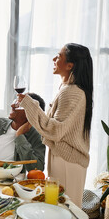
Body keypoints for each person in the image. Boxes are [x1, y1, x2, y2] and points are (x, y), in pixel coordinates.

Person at [18, 43, 93, 207]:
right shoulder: (68, 89)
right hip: (64, 157)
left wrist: (29, 104)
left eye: (58, 56)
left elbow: (55, 130)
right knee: (59, 207)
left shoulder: (71, 92)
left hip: (67, 160)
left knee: (65, 209)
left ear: (70, 65)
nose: (53, 58)